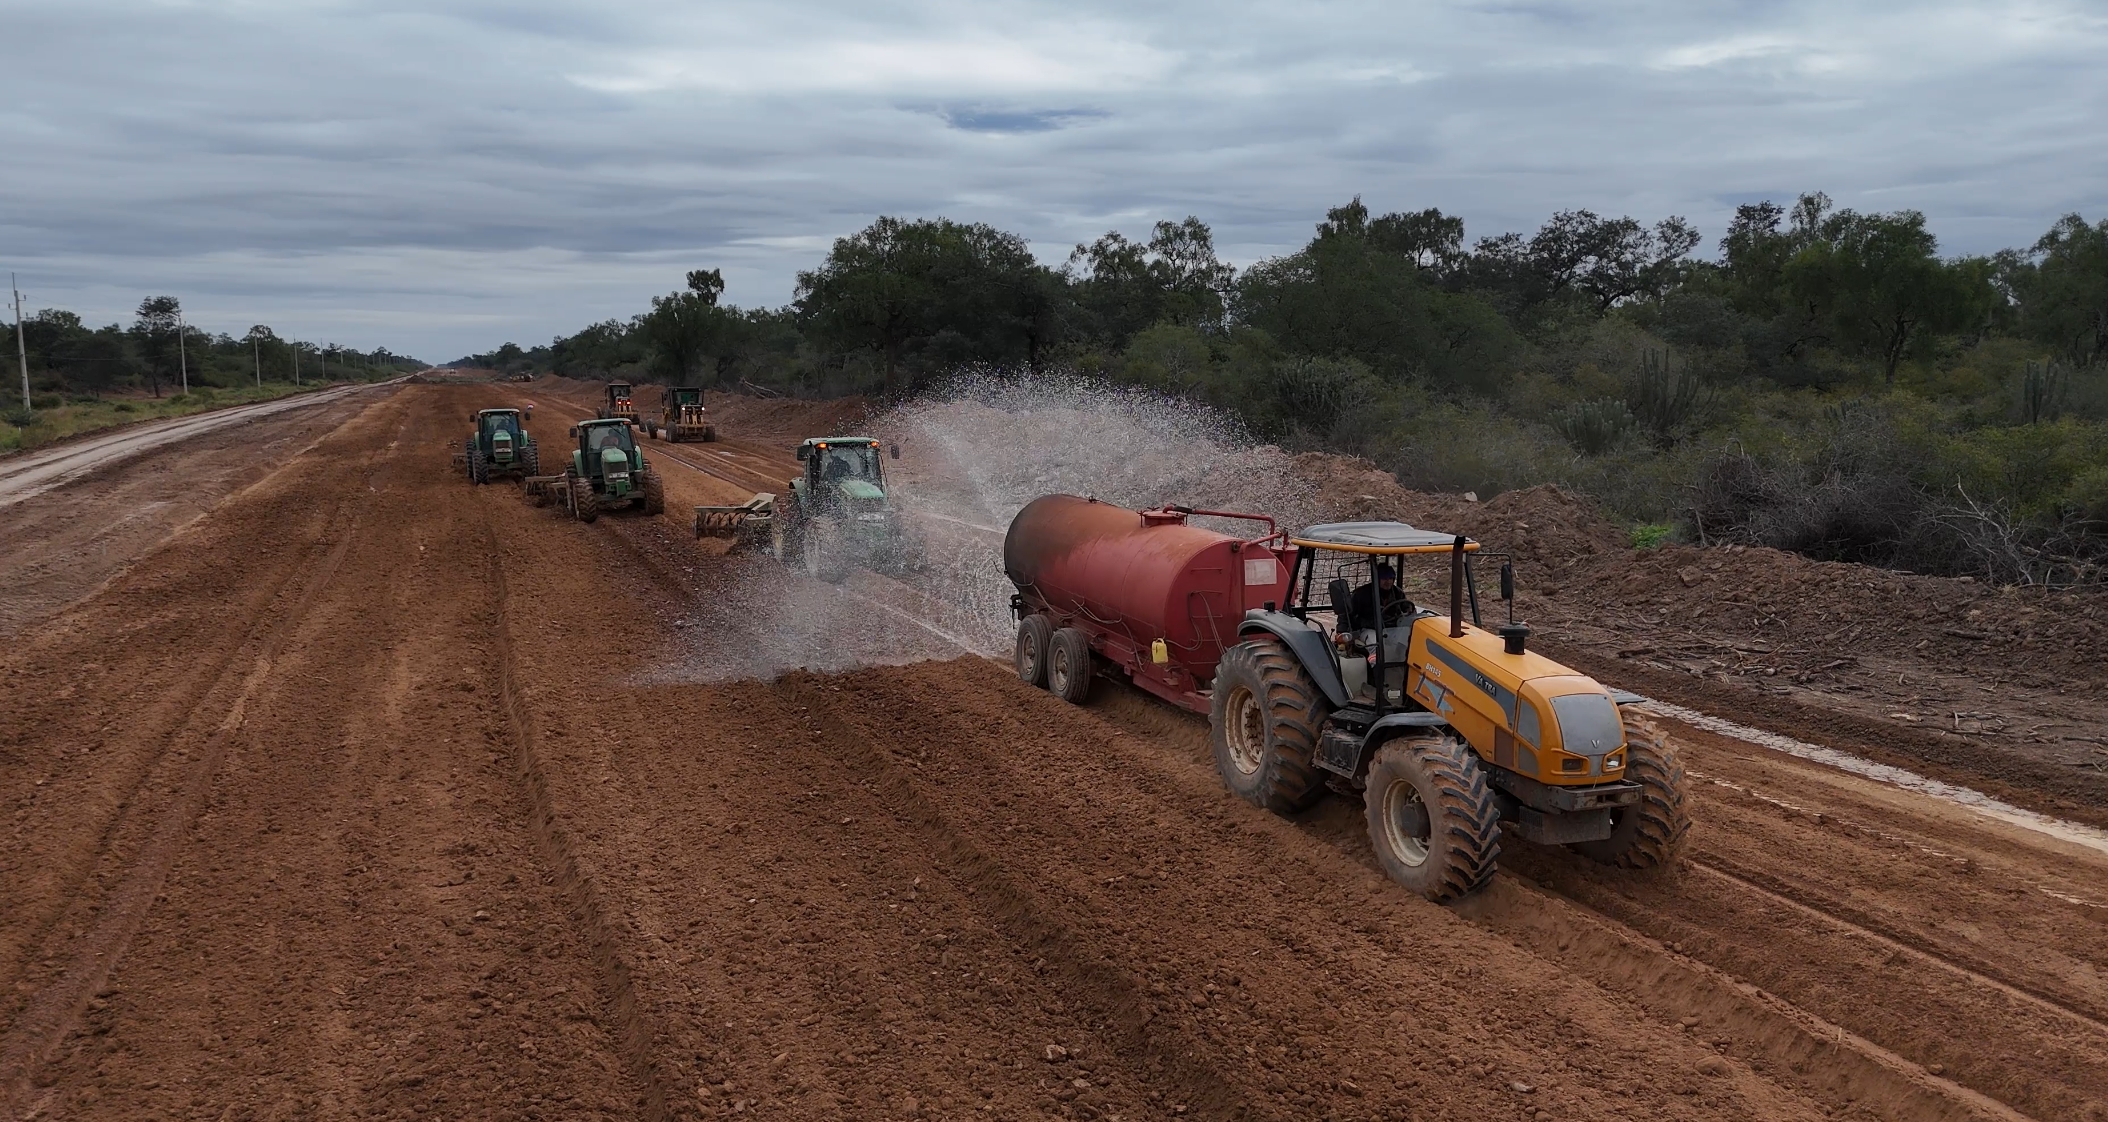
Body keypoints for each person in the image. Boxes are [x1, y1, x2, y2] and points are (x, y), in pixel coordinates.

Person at [1348, 563, 1414, 629]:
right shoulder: (1361, 594)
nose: (1388, 582)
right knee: (1373, 638)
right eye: (1384, 579)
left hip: (1392, 628)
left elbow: (1407, 607)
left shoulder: (1397, 592)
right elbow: (1348, 614)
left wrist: (1408, 610)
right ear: (1377, 579)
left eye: (1390, 578)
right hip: (1369, 629)